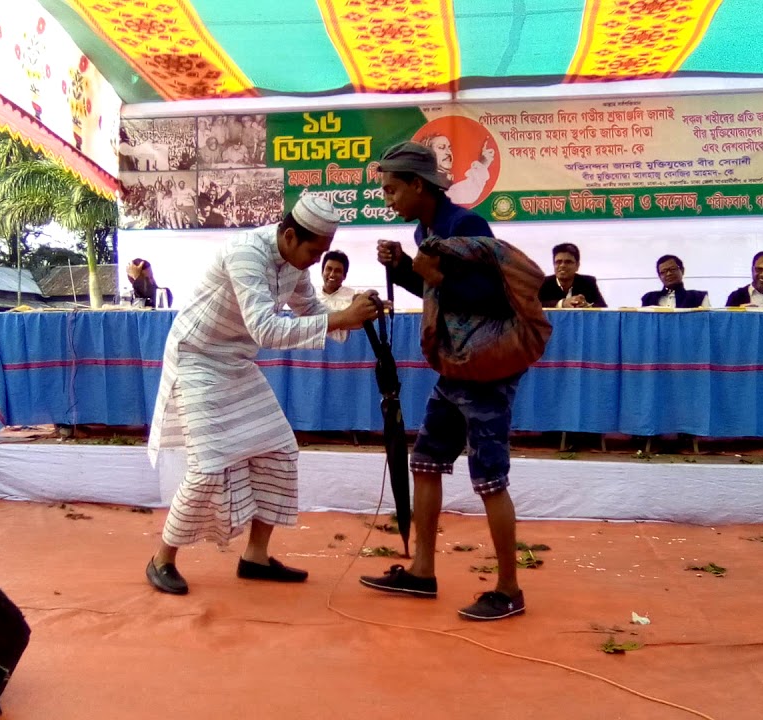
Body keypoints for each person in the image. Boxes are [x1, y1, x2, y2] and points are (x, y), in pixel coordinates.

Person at [145, 194, 383, 596]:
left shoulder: (293, 263)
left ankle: (255, 557)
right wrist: (342, 318)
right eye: (315, 251)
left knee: (281, 450)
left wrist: (357, 311)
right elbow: (266, 330)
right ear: (289, 236)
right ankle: (161, 559)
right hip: (197, 358)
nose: (318, 261)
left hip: (236, 362)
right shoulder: (246, 253)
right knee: (208, 465)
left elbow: (311, 310)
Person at [361, 141, 526, 621]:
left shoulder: (465, 226)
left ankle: (509, 590)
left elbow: (493, 294)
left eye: (392, 189)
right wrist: (404, 270)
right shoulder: (424, 231)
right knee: (426, 462)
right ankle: (422, 572)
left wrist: (428, 272)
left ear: (417, 184)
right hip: (455, 367)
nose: (388, 199)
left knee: (489, 479)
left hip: (488, 369)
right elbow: (437, 289)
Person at [418, 133, 494, 206]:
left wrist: (483, 164)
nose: (448, 152)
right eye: (441, 147)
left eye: (449, 148)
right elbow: (467, 193)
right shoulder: (428, 186)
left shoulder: (446, 182)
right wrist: (482, 165)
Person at [538, 243, 607, 308]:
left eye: (568, 262)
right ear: (554, 265)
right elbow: (534, 305)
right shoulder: (542, 283)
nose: (562, 265)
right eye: (558, 262)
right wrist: (562, 303)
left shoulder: (588, 282)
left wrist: (587, 306)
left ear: (577, 265)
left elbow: (603, 308)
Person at [641, 255, 710, 308]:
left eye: (672, 269)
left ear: (682, 270)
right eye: (663, 272)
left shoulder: (699, 297)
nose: (668, 274)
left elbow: (707, 322)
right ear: (659, 276)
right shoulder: (648, 298)